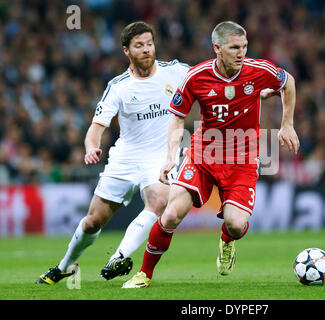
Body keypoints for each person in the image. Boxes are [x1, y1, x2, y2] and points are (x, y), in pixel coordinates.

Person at [122, 21, 299, 288]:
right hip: (203, 155)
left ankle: (227, 240)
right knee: (171, 215)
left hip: (242, 158)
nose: (241, 53)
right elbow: (178, 119)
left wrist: (287, 124)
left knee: (236, 224)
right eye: (234, 48)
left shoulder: (258, 70)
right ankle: (144, 274)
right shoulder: (196, 76)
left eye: (244, 47)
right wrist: (171, 157)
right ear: (217, 48)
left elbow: (288, 82)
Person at [36, 21, 190, 285]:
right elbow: (96, 128)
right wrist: (90, 147)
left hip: (160, 156)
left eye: (149, 44)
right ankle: (65, 266)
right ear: (126, 51)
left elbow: (212, 79)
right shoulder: (119, 86)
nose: (146, 50)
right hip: (125, 158)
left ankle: (118, 257)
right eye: (139, 45)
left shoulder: (176, 72)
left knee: (159, 202)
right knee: (93, 221)